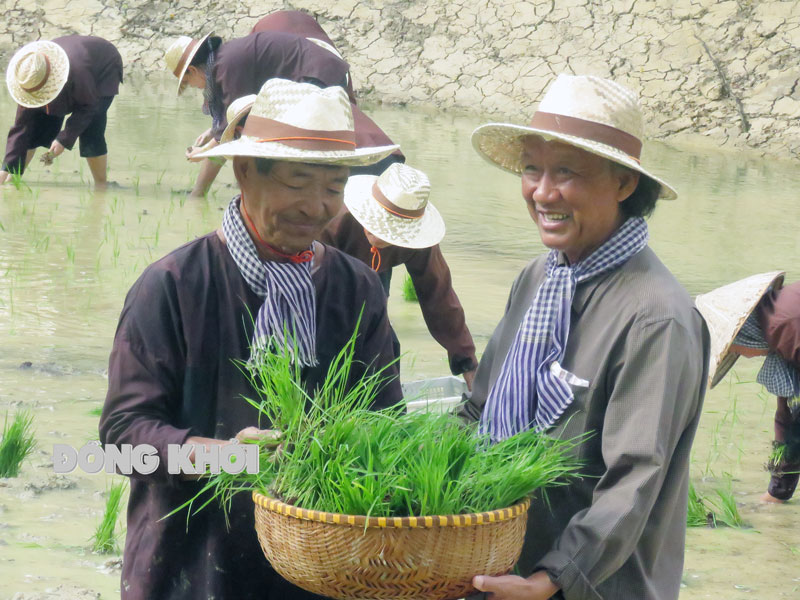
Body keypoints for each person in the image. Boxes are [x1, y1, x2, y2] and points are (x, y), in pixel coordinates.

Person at [99, 78, 401, 600]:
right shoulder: (172, 286)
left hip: (318, 574)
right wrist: (225, 458)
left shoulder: (357, 291)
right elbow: (123, 437)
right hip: (188, 568)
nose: (317, 206)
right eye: (297, 182)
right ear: (243, 172)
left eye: (333, 187)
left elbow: (386, 424)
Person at [459, 74, 710, 600]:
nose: (543, 192)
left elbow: (635, 477)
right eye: (532, 168)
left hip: (589, 584)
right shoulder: (538, 278)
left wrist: (552, 578)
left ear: (623, 184)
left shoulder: (656, 317)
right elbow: (478, 412)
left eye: (567, 172)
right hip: (504, 566)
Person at [165, 20, 402, 198]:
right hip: (317, 69)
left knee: (307, 144)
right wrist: (211, 136)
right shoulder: (224, 59)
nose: (194, 88)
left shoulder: (226, 66)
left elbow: (231, 132)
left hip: (317, 75)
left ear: (193, 72)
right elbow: (230, 118)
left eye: (188, 83)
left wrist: (201, 171)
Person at [320, 162, 478, 386]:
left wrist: (467, 362)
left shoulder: (418, 242)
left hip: (375, 276)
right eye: (377, 221)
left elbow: (439, 295)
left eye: (391, 229)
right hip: (325, 285)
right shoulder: (332, 220)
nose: (379, 233)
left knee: (387, 352)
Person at [696, 272, 800, 503]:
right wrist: (776, 495)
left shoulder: (786, 326)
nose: (743, 356)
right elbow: (788, 417)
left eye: (735, 350)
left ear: (744, 335)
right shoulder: (776, 329)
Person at [1, 36, 123, 187]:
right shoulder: (29, 76)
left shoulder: (79, 72)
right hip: (69, 67)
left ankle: (101, 185)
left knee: (91, 130)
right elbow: (21, 127)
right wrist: (5, 168)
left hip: (101, 70)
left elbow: (89, 107)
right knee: (35, 127)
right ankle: (12, 180)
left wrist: (64, 139)